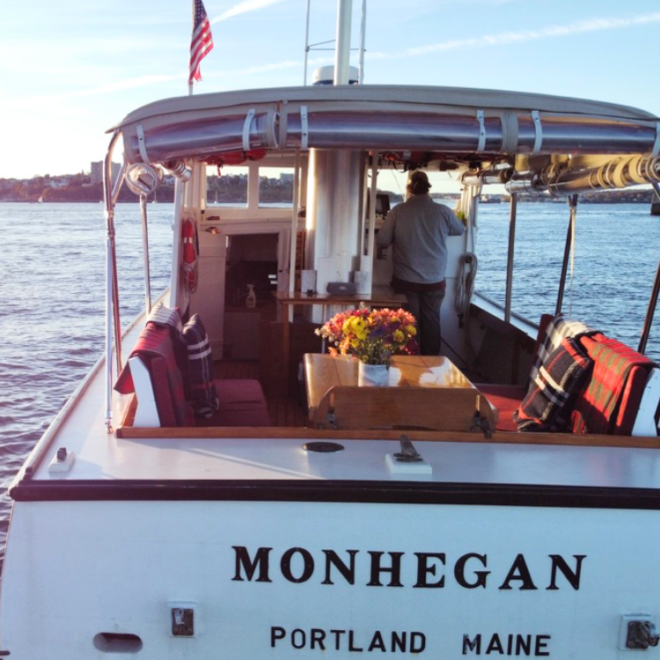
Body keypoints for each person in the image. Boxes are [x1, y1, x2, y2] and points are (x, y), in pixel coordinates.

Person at [376, 170, 465, 355]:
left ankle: (409, 364)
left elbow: (383, 240)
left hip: (406, 278)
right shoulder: (443, 211)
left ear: (409, 189)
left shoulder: (398, 211)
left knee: (408, 322)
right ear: (428, 188)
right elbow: (459, 230)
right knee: (431, 321)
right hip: (434, 279)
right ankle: (431, 364)